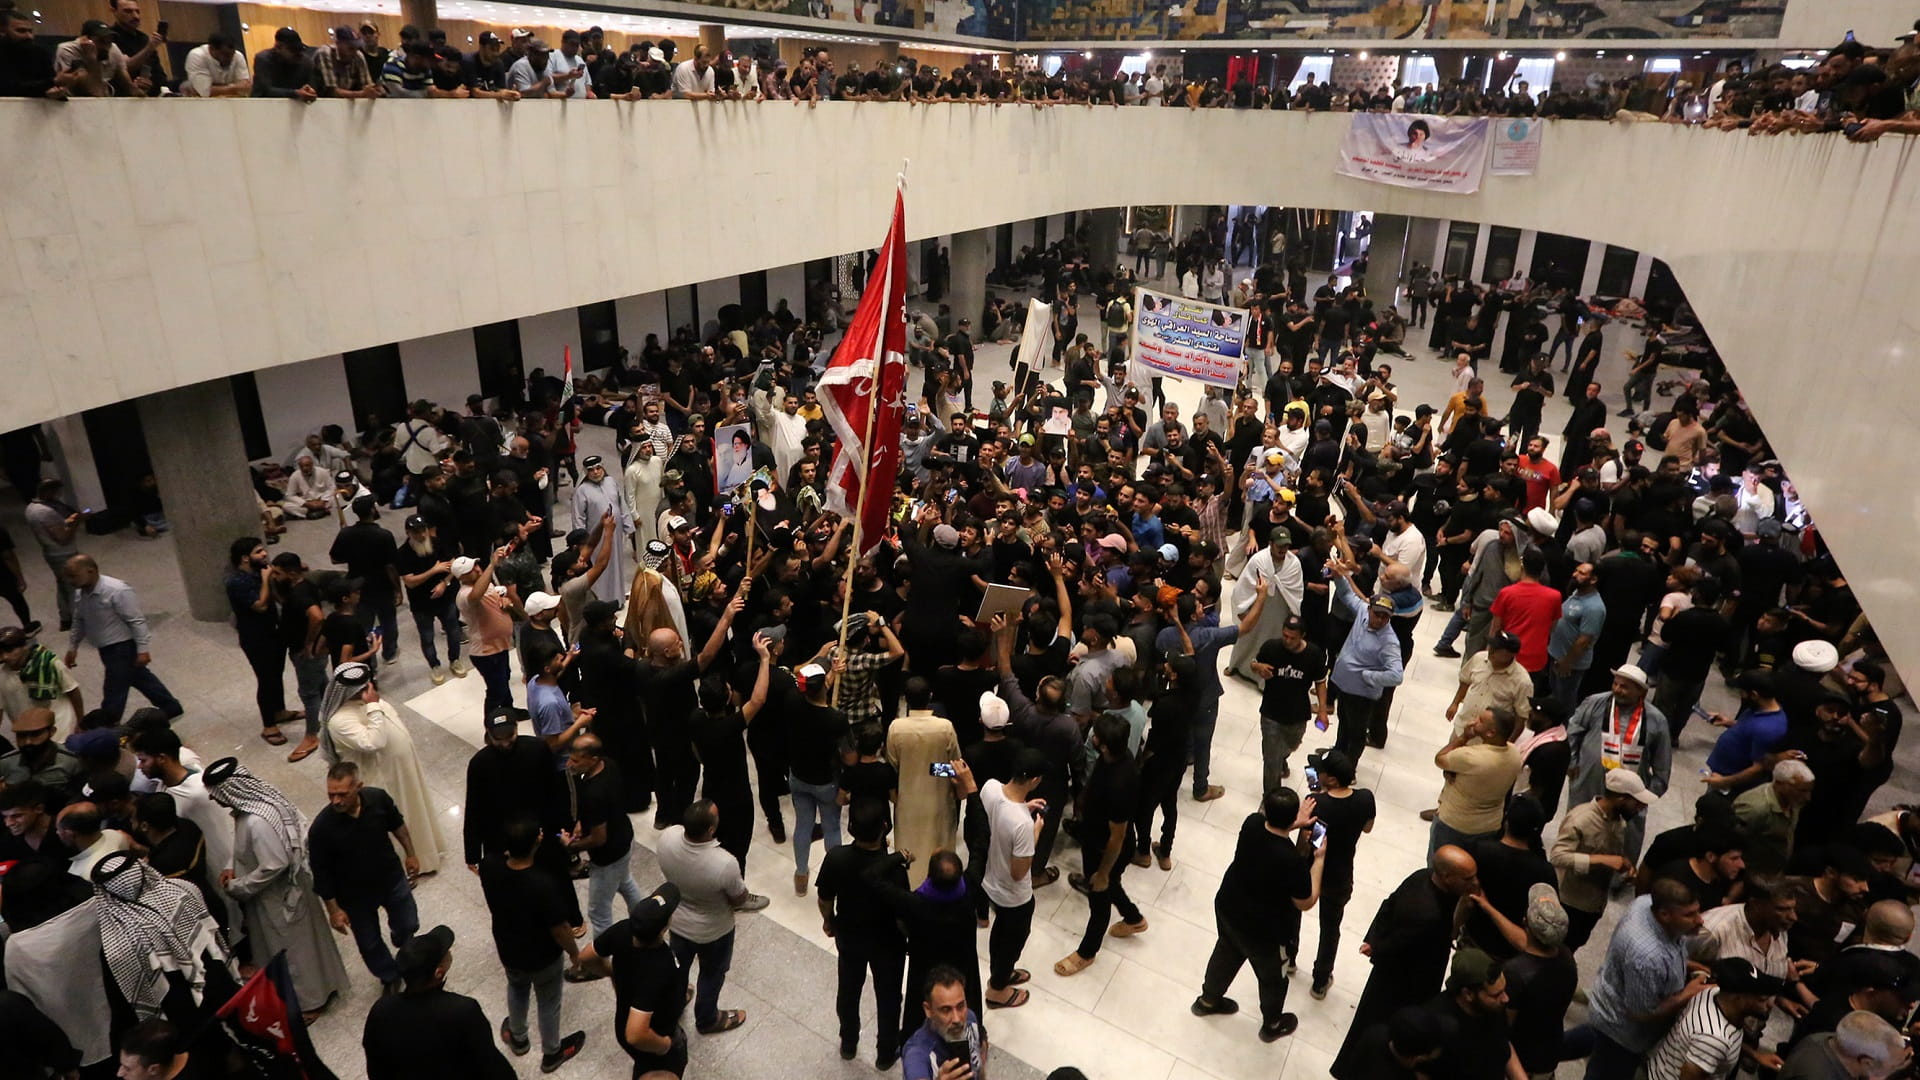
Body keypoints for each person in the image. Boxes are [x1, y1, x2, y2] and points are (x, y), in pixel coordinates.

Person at [203, 757, 350, 1018]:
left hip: (280, 898)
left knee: (294, 952)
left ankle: (311, 1002)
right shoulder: (254, 808)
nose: (215, 800)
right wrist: (231, 865)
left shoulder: (257, 822)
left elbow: (274, 864)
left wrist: (239, 886)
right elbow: (244, 847)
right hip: (285, 894)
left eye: (217, 794)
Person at [1330, 845, 1481, 1078]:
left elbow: (1388, 904)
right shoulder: (1427, 914)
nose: (1475, 882)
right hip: (1404, 981)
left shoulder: (1423, 875)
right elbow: (1398, 940)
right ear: (1447, 877)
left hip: (1406, 966)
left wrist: (1374, 940)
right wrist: (1378, 946)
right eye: (1468, 878)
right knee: (1387, 1028)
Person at [1190, 789, 1324, 1042]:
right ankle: (1272, 1023)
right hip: (1264, 932)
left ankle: (1208, 1000)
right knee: (1273, 977)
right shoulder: (1291, 861)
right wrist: (1319, 860)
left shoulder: (1250, 825)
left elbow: (1270, 826)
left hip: (1229, 908)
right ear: (1292, 816)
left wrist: (1295, 822)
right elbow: (1305, 901)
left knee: (1226, 952)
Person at [477, 813, 588, 1071]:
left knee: (516, 988)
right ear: (536, 842)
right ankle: (552, 1052)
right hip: (543, 956)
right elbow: (560, 929)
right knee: (549, 1001)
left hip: (509, 948)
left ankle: (518, 1037)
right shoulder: (543, 885)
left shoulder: (489, 868)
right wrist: (574, 954)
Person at [1572, 878, 1709, 1080]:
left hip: (1608, 1005)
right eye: (1689, 915)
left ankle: (1542, 1051)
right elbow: (1641, 1012)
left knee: (1593, 1037)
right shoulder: (1646, 957)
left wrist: (1686, 965)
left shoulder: (1646, 903)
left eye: (1698, 911)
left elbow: (1666, 953)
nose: (1700, 920)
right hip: (1622, 1033)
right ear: (1665, 914)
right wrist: (1687, 994)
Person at [317, 662, 446, 874]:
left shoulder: (366, 702)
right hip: (382, 776)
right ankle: (405, 865)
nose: (368, 690)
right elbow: (372, 742)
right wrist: (374, 706)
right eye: (361, 688)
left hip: (401, 770)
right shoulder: (339, 721)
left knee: (415, 810)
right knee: (397, 820)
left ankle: (426, 855)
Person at [308, 761, 421, 994]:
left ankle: (403, 947)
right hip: (354, 896)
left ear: (358, 787)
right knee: (369, 944)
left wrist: (411, 855)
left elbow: (397, 825)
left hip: (391, 878)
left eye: (342, 794)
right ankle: (389, 976)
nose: (335, 801)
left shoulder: (378, 799)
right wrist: (334, 911)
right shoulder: (321, 829)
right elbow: (321, 873)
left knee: (408, 924)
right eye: (331, 794)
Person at [656, 799, 764, 1036]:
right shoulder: (724, 863)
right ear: (711, 830)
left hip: (678, 922)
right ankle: (706, 1019)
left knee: (679, 967)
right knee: (712, 973)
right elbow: (739, 899)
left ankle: (676, 1001)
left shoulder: (668, 837)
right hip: (714, 930)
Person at [817, 797, 909, 1068]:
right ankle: (885, 1053)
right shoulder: (893, 870)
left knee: (848, 989)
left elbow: (824, 897)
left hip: (850, 936)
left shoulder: (836, 858)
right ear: (884, 827)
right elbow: (903, 914)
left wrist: (829, 921)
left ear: (852, 828)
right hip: (887, 943)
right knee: (889, 996)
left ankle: (848, 1043)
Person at [1055, 712, 1147, 976]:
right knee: (1108, 885)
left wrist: (1104, 872)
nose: (1092, 737)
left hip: (1106, 849)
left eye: (1096, 736)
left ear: (1104, 745)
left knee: (1100, 898)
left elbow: (1117, 837)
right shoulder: (1115, 757)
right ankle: (1134, 918)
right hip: (1093, 836)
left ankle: (1087, 952)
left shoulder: (1121, 783)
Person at [362, 924, 518, 1080]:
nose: (449, 952)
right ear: (439, 972)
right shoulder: (463, 1012)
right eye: (445, 952)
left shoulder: (381, 1011)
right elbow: (489, 1063)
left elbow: (376, 1068)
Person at [575, 883, 692, 1079]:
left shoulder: (623, 929)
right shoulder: (659, 966)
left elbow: (586, 957)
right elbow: (636, 1033)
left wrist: (611, 972)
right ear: (663, 929)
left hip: (623, 1019)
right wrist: (664, 1046)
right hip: (655, 1035)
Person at [1565, 664, 1671, 860]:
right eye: (1615, 683)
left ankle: (1619, 875)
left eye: (1624, 687)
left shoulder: (1657, 720)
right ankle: (1572, 860)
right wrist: (1571, 763)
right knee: (1580, 821)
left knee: (1625, 835)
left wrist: (1644, 797)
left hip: (1629, 795)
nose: (1617, 689)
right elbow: (1573, 733)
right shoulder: (1594, 702)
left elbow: (1662, 767)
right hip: (1589, 780)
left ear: (1641, 691)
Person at [63, 555, 181, 722]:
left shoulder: (117, 590)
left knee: (114, 689)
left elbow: (136, 620)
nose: (70, 580)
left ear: (90, 571)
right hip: (105, 648)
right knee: (138, 677)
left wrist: (143, 650)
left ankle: (108, 723)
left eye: (73, 575)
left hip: (121, 647)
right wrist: (72, 647)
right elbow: (79, 620)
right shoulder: (80, 594)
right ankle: (170, 706)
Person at [1551, 768, 1658, 950]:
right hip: (1570, 902)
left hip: (1594, 903)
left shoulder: (1618, 821)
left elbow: (1608, 853)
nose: (1641, 808)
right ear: (1621, 798)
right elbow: (1558, 856)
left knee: (1573, 946)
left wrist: (1623, 867)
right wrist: (1602, 859)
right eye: (1637, 803)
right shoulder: (1581, 819)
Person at [1643, 958, 1786, 1080]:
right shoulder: (1713, 1039)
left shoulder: (1713, 992)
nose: (1770, 1004)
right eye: (1762, 999)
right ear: (1738, 999)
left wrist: (1756, 1055)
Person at [981, 749, 1048, 1009]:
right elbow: (1019, 871)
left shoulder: (990, 788)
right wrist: (1035, 833)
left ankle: (1001, 972)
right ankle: (997, 990)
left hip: (990, 880)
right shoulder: (1022, 824)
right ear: (1034, 781)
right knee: (1012, 940)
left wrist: (1024, 806)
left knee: (1000, 933)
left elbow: (999, 815)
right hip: (1013, 894)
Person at [562, 733, 642, 938]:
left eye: (576, 760)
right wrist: (582, 822)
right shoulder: (609, 765)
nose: (570, 763)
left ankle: (602, 962)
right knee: (625, 882)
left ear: (593, 759)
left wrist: (570, 846)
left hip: (609, 857)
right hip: (624, 837)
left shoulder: (594, 793)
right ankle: (644, 924)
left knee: (598, 913)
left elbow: (599, 838)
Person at [888, 676, 963, 891]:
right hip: (938, 798)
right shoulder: (945, 727)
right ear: (930, 697)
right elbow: (955, 766)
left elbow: (893, 766)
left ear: (906, 699)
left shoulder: (896, 727)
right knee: (939, 851)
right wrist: (934, 769)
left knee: (909, 854)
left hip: (908, 799)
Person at [1325, 563, 1404, 759]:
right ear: (1369, 609)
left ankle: (1348, 770)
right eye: (1377, 614)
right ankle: (1337, 756)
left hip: (1362, 694)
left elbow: (1396, 675)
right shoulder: (1362, 612)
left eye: (1385, 617)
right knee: (1343, 721)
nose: (1380, 620)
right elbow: (1347, 596)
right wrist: (1338, 577)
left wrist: (1368, 676)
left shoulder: (1389, 642)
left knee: (1356, 733)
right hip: (1344, 685)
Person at [1249, 614, 1327, 794]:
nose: (1287, 640)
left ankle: (1282, 757)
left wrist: (1322, 710)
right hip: (1271, 712)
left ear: (1302, 636)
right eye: (1285, 635)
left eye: (1292, 638)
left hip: (1298, 714)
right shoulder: (1271, 647)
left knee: (1292, 745)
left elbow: (1321, 681)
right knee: (1270, 759)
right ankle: (1271, 797)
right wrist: (1258, 667)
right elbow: (1254, 662)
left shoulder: (1313, 654)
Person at [1431, 706, 1522, 856]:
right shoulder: (1514, 753)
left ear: (1490, 732)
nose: (1473, 722)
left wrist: (1463, 737)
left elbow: (1440, 759)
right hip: (1489, 826)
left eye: (1479, 721)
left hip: (1454, 824)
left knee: (1440, 866)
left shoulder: (1470, 757)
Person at [900, 965, 989, 1080]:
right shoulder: (917, 1053)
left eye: (961, 1006)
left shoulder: (969, 1017)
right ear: (928, 1010)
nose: (957, 1019)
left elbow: (980, 1052)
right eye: (946, 1010)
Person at [1777, 1009, 1912, 1079]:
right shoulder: (1815, 1075)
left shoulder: (1826, 1040)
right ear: (1867, 1063)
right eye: (1894, 1066)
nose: (1896, 1068)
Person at [570, 456, 634, 603]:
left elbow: (621, 504)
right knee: (600, 567)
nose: (596, 472)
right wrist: (582, 542)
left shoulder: (611, 482)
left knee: (616, 565)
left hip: (615, 534)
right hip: (595, 538)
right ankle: (602, 600)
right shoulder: (582, 490)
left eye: (598, 468)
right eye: (591, 470)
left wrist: (628, 526)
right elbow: (578, 517)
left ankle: (617, 597)